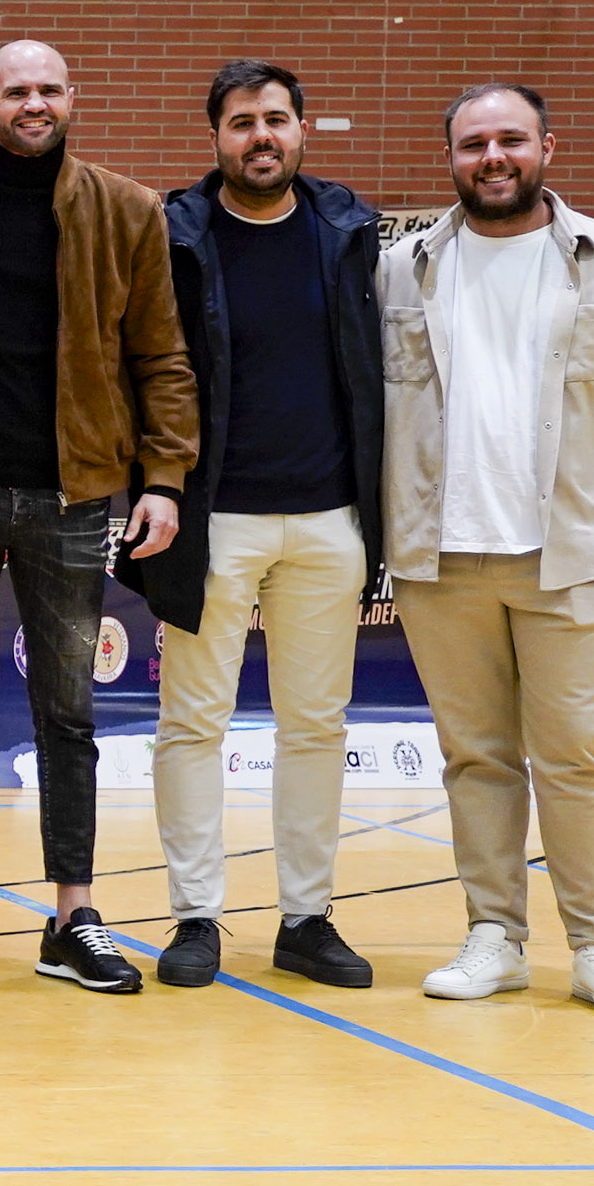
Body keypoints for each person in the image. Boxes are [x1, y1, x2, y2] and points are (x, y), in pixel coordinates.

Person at [0, 41, 196, 993]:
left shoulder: (128, 208)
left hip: (74, 494)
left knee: (69, 713)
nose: (34, 103)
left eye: (49, 89)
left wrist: (164, 476)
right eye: (16, 89)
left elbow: (161, 353)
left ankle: (73, 918)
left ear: (73, 98)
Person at [384, 84, 594, 1019]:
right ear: (451, 158)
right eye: (474, 143)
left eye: (511, 139)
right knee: (475, 757)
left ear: (549, 147)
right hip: (440, 558)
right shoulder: (401, 270)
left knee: (580, 755)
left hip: (575, 555)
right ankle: (495, 936)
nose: (493, 157)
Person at [134, 61, 386, 992]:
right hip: (212, 519)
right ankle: (195, 915)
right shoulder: (177, 234)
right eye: (242, 122)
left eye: (276, 118)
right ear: (216, 138)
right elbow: (145, 366)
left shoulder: (347, 231)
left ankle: (306, 918)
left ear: (302, 129)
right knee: (192, 723)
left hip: (328, 519)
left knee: (316, 726)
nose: (261, 136)